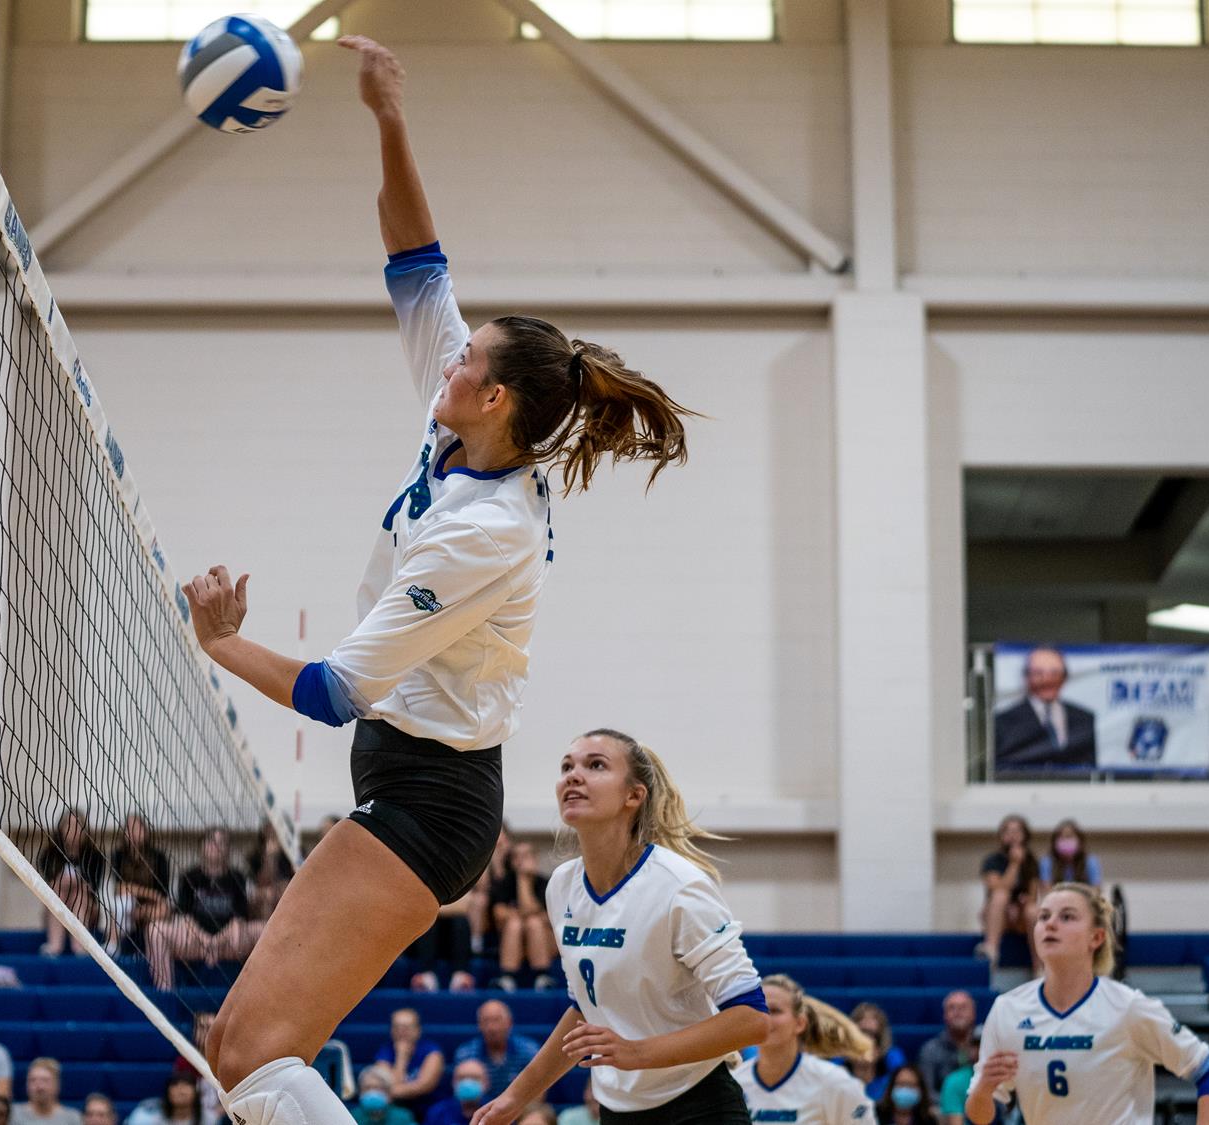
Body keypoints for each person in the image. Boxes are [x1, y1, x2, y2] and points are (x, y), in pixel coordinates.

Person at [180, 34, 695, 1125]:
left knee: (250, 1053)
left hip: (431, 799)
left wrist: (220, 643)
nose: (449, 358)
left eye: (468, 359)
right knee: (234, 1050)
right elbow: (417, 259)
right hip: (409, 781)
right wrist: (387, 115)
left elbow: (334, 691)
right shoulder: (460, 422)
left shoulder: (481, 532)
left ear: (496, 398)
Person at [473, 729, 772, 1124]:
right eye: (567, 767)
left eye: (595, 765)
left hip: (699, 1104)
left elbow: (752, 1019)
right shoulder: (562, 886)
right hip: (617, 1109)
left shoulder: (679, 885)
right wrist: (515, 1098)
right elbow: (586, 1009)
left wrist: (636, 1052)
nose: (573, 776)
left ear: (634, 795)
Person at [964, 883, 1209, 1125]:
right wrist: (984, 1090)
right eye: (1043, 916)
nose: (1050, 924)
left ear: (1096, 937)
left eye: (1067, 917)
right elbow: (979, 1116)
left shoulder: (1127, 1007)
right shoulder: (1008, 1009)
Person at [732, 974, 875, 1125]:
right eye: (759, 1010)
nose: (765, 1018)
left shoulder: (835, 1083)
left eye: (775, 1010)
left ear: (800, 1023)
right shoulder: (735, 1084)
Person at [146, 827, 266, 991]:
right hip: (195, 941)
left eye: (221, 842)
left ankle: (258, 994)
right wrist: (206, 941)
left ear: (228, 849)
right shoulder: (189, 876)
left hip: (228, 942)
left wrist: (216, 942)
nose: (215, 845)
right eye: (211, 841)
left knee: (264, 929)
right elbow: (186, 918)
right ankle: (165, 994)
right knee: (155, 930)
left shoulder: (237, 877)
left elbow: (239, 919)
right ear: (202, 846)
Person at [992, 647, 1097, 772]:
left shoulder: (1084, 718)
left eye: (1055, 673)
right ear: (1026, 677)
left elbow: (1089, 766)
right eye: (1038, 673)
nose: (1047, 680)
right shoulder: (1004, 721)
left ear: (1064, 678)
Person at [36, 809, 107, 958]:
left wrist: (76, 883)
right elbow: (49, 887)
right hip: (58, 905)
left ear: (85, 831)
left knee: (79, 895)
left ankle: (79, 946)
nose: (73, 830)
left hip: (88, 910)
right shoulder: (49, 855)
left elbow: (91, 890)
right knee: (57, 890)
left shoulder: (94, 857)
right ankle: (55, 945)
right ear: (61, 828)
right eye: (69, 825)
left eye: (78, 825)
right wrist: (66, 882)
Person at [490, 840, 556, 991]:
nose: (521, 861)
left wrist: (523, 881)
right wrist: (527, 914)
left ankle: (542, 976)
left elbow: (547, 917)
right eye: (516, 856)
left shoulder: (546, 883)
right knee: (515, 924)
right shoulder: (505, 882)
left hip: (544, 941)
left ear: (534, 859)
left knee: (534, 923)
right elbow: (499, 913)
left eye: (526, 856)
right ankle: (507, 977)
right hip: (513, 939)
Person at [107, 812, 173, 953]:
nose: (133, 832)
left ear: (146, 832)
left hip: (149, 909)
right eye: (129, 828)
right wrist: (150, 894)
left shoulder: (159, 857)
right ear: (124, 833)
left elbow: (162, 895)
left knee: (164, 909)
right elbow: (120, 888)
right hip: (127, 906)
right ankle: (113, 945)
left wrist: (141, 907)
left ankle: (151, 947)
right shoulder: (118, 855)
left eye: (137, 828)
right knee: (121, 903)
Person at [978, 815, 1038, 969]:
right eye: (1008, 831)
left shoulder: (1031, 861)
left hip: (1021, 916)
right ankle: (991, 950)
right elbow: (998, 888)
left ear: (1025, 835)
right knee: (1001, 896)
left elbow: (1033, 895)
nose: (1012, 835)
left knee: (1033, 910)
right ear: (1001, 835)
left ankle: (1039, 966)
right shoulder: (992, 860)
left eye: (1017, 831)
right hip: (998, 915)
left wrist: (1024, 902)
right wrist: (1014, 864)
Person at [456, 999, 543, 1100]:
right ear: (479, 1025)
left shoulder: (529, 1050)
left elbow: (539, 1091)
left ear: (509, 1023)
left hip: (520, 1106)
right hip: (480, 1107)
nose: (491, 1027)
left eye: (496, 1020)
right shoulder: (466, 1053)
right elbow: (461, 1093)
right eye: (486, 1021)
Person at [375, 1006, 446, 1118]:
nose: (401, 1032)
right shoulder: (385, 1052)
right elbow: (385, 1083)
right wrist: (401, 1057)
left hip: (428, 1107)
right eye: (397, 1027)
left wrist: (389, 1091)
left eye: (406, 1027)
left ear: (418, 1030)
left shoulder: (432, 1051)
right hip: (395, 1110)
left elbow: (423, 1086)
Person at [917, 991, 979, 1095]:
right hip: (942, 1105)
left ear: (974, 1014)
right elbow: (927, 1092)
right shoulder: (930, 1050)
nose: (958, 1012)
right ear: (944, 1015)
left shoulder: (985, 1047)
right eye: (952, 1008)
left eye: (963, 1007)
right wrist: (951, 1102)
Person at [848, 1002, 907, 1103]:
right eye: (862, 1034)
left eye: (873, 1035)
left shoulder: (894, 1060)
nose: (866, 1041)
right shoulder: (837, 1066)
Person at [246, 820, 296, 921]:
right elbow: (259, 885)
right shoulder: (254, 857)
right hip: (262, 897)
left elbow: (291, 884)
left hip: (286, 895)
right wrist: (270, 858)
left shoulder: (291, 856)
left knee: (276, 895)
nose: (272, 832)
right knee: (267, 897)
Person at [126, 1074, 216, 1125]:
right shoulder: (155, 1119)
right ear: (168, 1093)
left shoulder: (209, 1119)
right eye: (175, 1085)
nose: (180, 1090)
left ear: (196, 1093)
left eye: (186, 1085)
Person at [16, 1058, 83, 1125]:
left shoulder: (72, 1118)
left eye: (45, 1081)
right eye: (33, 1080)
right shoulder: (14, 1115)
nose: (39, 1087)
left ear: (57, 1084)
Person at [426, 1059, 493, 1125]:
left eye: (474, 1078)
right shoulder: (438, 1112)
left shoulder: (493, 1111)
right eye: (462, 1078)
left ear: (486, 1083)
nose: (467, 1083)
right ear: (453, 1083)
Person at [1040, 820, 1103, 888]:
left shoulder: (1090, 861)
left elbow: (1096, 890)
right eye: (1061, 837)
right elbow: (1047, 890)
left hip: (1083, 895)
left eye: (1069, 836)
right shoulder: (1047, 862)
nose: (1066, 841)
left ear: (1080, 841)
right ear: (1055, 842)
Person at [350, 1065, 418, 1125]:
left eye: (377, 1088)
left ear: (388, 1093)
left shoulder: (403, 1117)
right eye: (367, 1088)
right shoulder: (352, 1116)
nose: (373, 1092)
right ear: (360, 1092)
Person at [936, 1035, 979, 1125]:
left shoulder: (1008, 1077)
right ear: (967, 1048)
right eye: (975, 1045)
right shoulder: (954, 1081)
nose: (980, 1050)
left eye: (985, 1045)